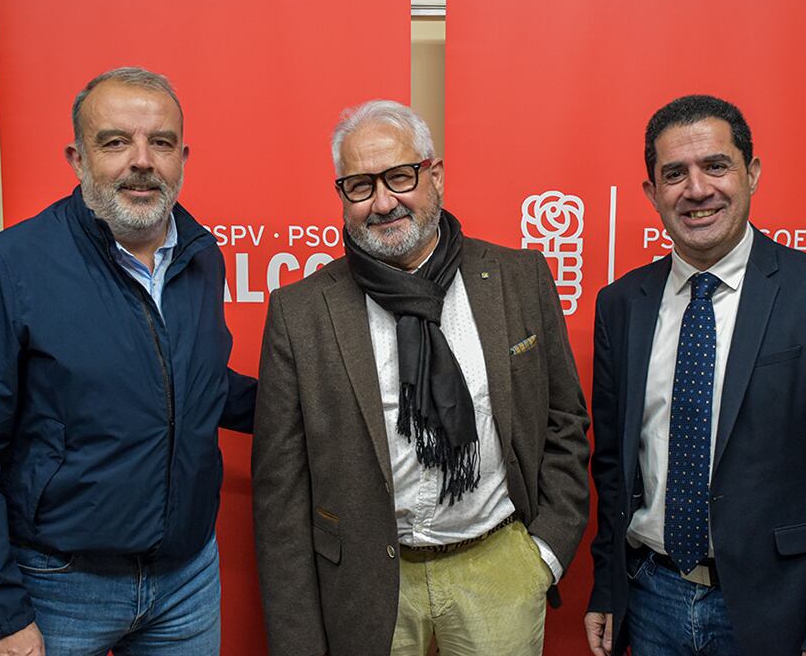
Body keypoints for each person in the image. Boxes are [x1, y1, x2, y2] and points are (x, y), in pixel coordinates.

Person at [0, 67, 256, 656]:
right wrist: (1, 618)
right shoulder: (9, 267)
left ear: (182, 158)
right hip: (59, 589)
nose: (142, 161)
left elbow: (196, 383)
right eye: (115, 142)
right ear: (77, 158)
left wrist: (316, 401)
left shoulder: (201, 255)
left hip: (186, 582)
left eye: (161, 142)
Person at [252, 99, 590, 656]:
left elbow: (564, 421)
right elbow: (281, 495)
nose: (383, 202)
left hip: (499, 570)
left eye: (400, 177)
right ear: (342, 195)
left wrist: (545, 554)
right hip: (366, 586)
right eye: (360, 186)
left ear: (435, 175)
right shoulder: (301, 312)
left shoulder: (519, 277)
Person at [584, 94, 806, 656]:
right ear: (652, 193)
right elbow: (612, 467)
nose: (697, 189)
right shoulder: (622, 304)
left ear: (752, 173)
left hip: (778, 610)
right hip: (651, 597)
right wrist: (606, 585)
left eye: (716, 166)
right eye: (675, 174)